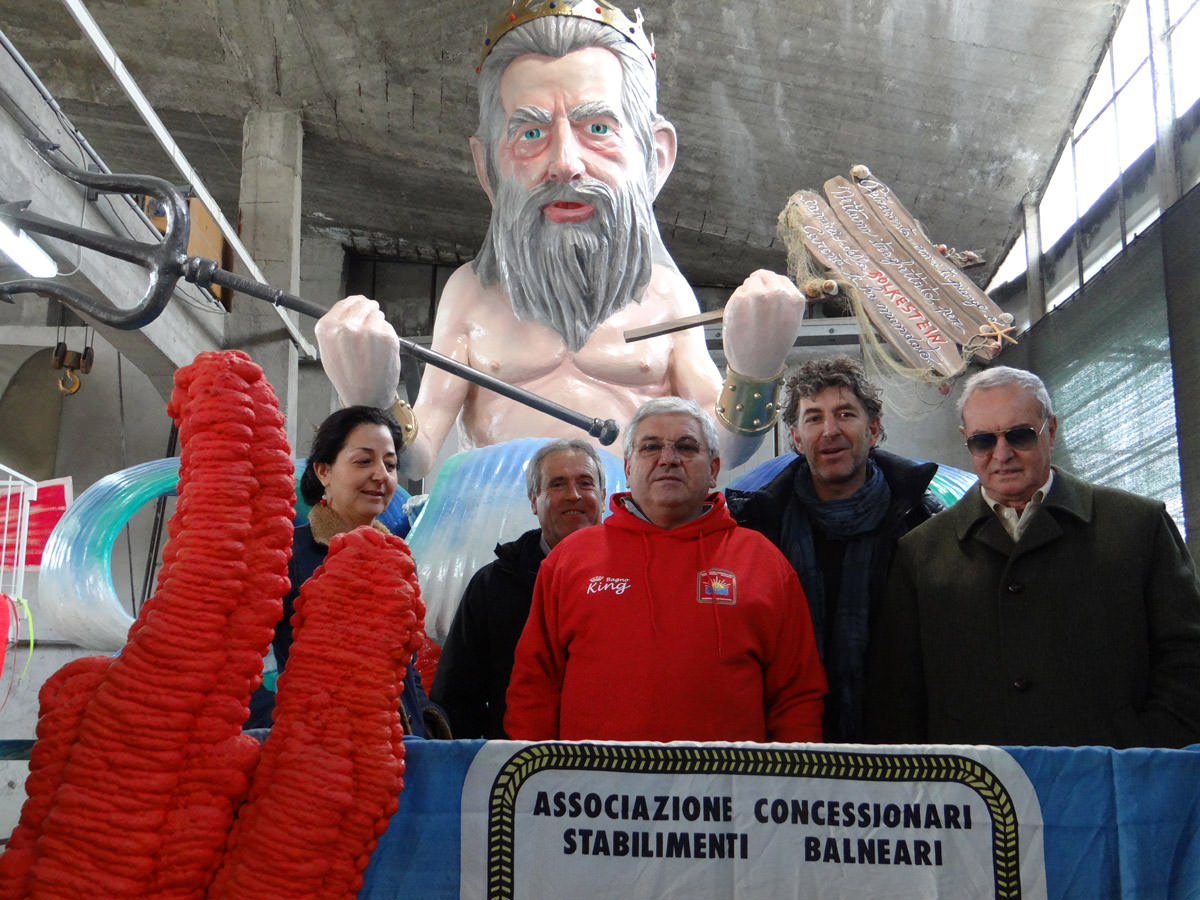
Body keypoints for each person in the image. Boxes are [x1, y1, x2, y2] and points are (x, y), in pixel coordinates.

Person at [314, 1, 806, 480]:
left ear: (655, 157)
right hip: (493, 533)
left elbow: (720, 452)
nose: (565, 162)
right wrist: (371, 400)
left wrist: (754, 371)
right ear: (487, 166)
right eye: (530, 133)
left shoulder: (665, 295)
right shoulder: (471, 293)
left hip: (625, 532)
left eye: (597, 128)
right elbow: (416, 459)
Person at [865, 366, 1200, 747]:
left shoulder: (1138, 527)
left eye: (1019, 435)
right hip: (977, 793)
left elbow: (1187, 657)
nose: (1001, 454)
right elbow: (897, 693)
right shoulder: (920, 552)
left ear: (1051, 430)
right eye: (983, 441)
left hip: (1113, 785)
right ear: (966, 442)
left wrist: (1143, 750)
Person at [504, 397, 826, 743]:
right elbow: (533, 689)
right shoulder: (569, 560)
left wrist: (788, 787)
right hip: (597, 793)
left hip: (725, 791)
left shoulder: (762, 561)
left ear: (714, 469)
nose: (668, 459)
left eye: (686, 447)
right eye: (650, 447)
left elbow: (796, 696)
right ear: (628, 468)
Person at [725, 355, 943, 742]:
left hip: (901, 747)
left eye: (845, 414)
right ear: (794, 437)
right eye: (813, 418)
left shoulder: (921, 523)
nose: (830, 431)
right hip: (788, 744)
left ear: (873, 429)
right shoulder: (758, 530)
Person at [245, 406, 449, 737]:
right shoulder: (286, 554)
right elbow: (237, 665)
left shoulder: (398, 558)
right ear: (324, 471)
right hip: (321, 757)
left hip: (400, 749)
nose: (381, 475)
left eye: (390, 464)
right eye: (363, 461)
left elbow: (405, 666)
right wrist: (287, 721)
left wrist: (427, 723)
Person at [431, 439, 606, 738]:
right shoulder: (493, 585)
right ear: (533, 500)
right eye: (558, 484)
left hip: (618, 767)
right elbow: (456, 695)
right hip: (519, 769)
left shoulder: (634, 577)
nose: (573, 495)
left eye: (585, 483)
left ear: (603, 495)